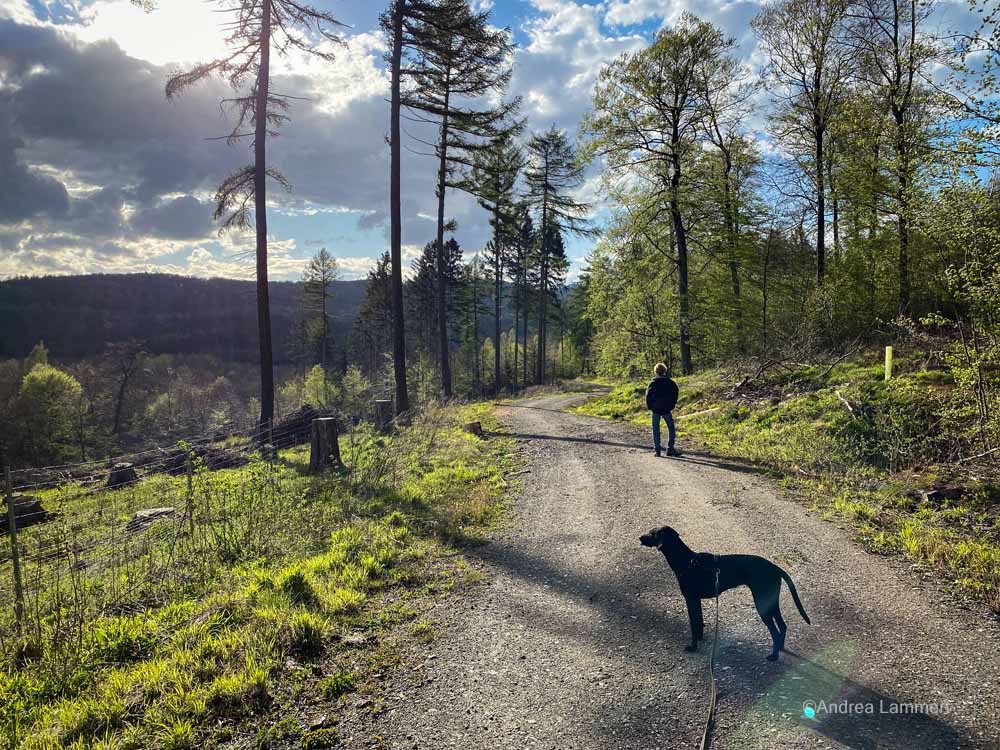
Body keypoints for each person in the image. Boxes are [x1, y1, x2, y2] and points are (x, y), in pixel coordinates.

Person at [645, 362, 680, 457]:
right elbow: (675, 394)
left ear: (655, 372)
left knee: (655, 429)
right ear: (665, 371)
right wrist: (672, 405)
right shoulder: (671, 383)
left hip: (655, 409)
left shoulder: (653, 383)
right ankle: (670, 448)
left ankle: (657, 450)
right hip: (666, 409)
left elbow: (648, 396)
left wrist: (650, 406)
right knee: (671, 428)